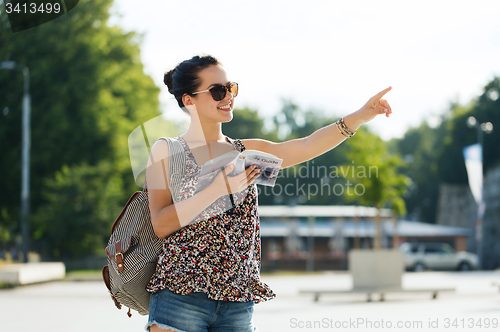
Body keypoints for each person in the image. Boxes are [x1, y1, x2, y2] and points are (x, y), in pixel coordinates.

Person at [144, 55, 392, 332]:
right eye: (217, 91)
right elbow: (161, 224)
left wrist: (360, 116)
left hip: (237, 302)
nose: (228, 96)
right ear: (189, 100)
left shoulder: (246, 151)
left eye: (231, 88)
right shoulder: (167, 150)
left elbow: (306, 146)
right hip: (181, 297)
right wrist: (218, 189)